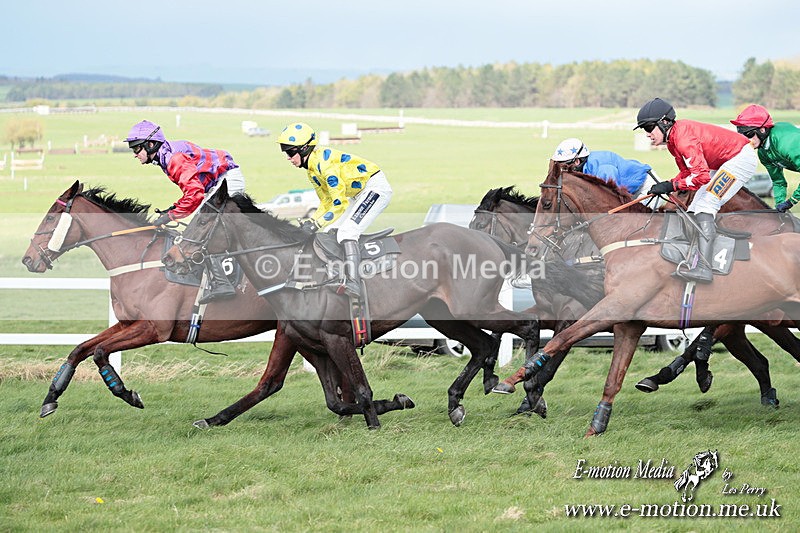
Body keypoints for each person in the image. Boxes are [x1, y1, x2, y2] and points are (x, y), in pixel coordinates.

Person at [636, 97, 758, 283]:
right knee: (694, 208)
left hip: (740, 159)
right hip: (725, 160)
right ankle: (695, 258)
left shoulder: (683, 139)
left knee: (707, 204)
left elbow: (701, 177)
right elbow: (686, 173)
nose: (647, 134)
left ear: (664, 122)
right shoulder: (673, 140)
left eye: (648, 128)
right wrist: (667, 185)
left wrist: (672, 186)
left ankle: (704, 268)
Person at [125, 119, 246, 304]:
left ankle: (222, 283)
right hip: (216, 184)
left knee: (202, 232)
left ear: (150, 144)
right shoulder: (165, 156)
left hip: (225, 181)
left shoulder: (174, 158)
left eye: (136, 149)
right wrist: (174, 209)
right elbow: (192, 191)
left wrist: (170, 216)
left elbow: (195, 194)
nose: (135, 154)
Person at [276, 122, 392, 298]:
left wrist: (316, 225)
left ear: (305, 149)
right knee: (330, 232)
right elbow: (326, 202)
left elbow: (339, 204)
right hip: (357, 194)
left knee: (347, 232)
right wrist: (312, 221)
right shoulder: (312, 170)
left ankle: (354, 283)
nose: (288, 157)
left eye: (291, 152)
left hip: (374, 188)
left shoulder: (326, 166)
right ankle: (337, 275)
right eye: (285, 152)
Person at [551, 138, 665, 208]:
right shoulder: (585, 168)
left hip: (648, 187)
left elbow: (612, 200)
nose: (563, 171)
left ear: (576, 161)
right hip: (631, 191)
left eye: (565, 166)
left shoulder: (603, 169)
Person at [731, 104, 800, 212]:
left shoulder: (786, 143)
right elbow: (778, 181)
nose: (746, 140)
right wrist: (780, 206)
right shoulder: (763, 153)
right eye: (742, 136)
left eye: (748, 134)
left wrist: (792, 201)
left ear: (762, 130)